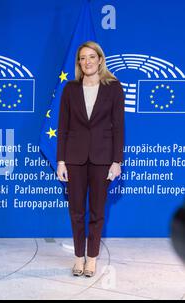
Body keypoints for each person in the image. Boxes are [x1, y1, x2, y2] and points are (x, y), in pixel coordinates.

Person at [56, 41, 124, 277]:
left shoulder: (114, 88)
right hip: (74, 158)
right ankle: (78, 258)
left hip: (103, 158)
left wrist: (117, 161)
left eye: (91, 57)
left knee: (97, 212)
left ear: (100, 60)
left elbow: (118, 128)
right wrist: (61, 161)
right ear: (79, 63)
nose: (87, 62)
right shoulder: (70, 89)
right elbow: (62, 127)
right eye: (82, 58)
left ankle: (92, 259)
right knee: (76, 211)